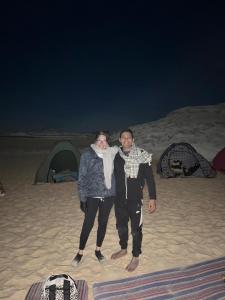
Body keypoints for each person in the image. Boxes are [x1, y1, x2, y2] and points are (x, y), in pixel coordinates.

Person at [111, 128, 156, 272]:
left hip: (135, 199)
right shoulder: (115, 156)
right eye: (123, 138)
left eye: (129, 138)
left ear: (133, 140)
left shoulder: (142, 155)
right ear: (119, 140)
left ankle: (135, 256)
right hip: (119, 199)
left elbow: (150, 178)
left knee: (136, 230)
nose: (126, 140)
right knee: (121, 227)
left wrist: (152, 198)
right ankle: (123, 248)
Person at [72, 131, 118, 265]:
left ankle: (98, 250)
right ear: (95, 141)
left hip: (109, 195)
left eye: (104, 140)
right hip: (92, 195)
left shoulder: (112, 154)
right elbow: (82, 178)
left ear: (107, 142)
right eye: (99, 140)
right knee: (88, 223)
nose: (102, 143)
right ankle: (80, 252)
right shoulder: (87, 155)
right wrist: (82, 198)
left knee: (102, 223)